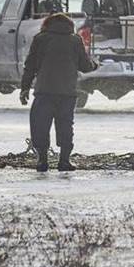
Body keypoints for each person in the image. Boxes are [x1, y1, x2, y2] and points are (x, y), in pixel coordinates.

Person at [19, 13, 97, 172]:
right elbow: (85, 66)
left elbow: (30, 66)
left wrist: (24, 88)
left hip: (44, 92)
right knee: (65, 126)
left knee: (40, 125)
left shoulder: (40, 39)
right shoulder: (75, 40)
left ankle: (42, 160)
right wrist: (95, 65)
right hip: (67, 93)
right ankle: (64, 161)